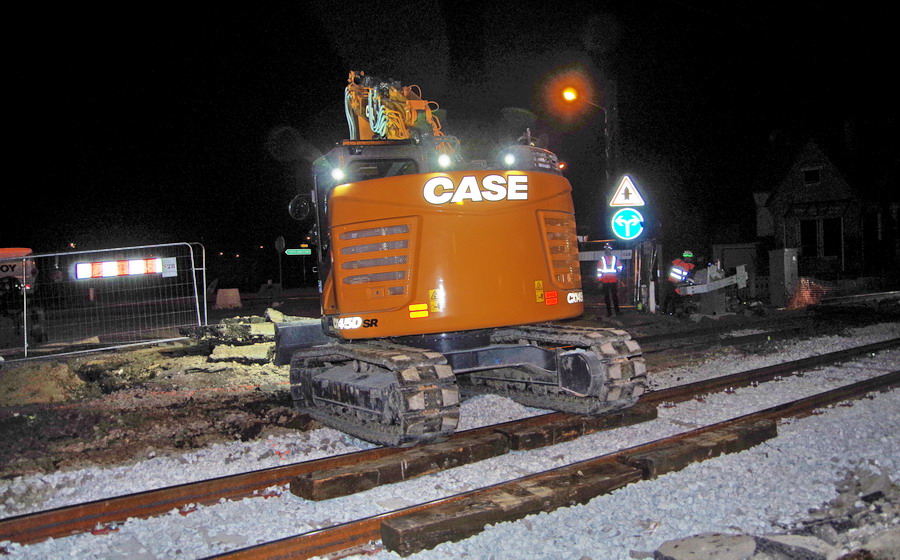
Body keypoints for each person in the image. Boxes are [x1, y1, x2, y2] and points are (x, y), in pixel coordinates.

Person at [597, 245, 621, 316]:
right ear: (605, 251)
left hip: (612, 280)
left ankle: (617, 312)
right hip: (606, 281)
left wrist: (617, 271)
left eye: (608, 249)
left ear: (610, 250)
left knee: (614, 297)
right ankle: (610, 312)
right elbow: (599, 271)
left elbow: (620, 267)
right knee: (607, 297)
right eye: (606, 250)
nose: (607, 251)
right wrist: (600, 281)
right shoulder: (602, 259)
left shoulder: (615, 258)